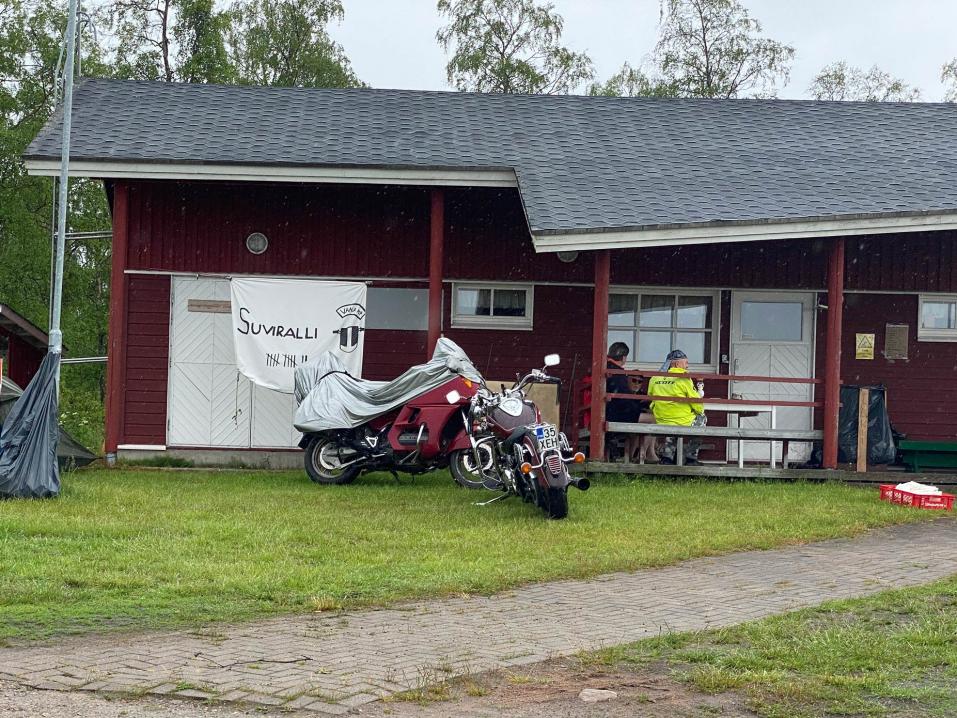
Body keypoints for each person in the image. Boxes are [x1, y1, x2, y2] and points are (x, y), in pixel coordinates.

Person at [648, 349, 706, 466]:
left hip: (661, 419)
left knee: (672, 424)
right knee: (701, 418)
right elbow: (697, 403)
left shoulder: (655, 377)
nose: (687, 366)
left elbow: (650, 395)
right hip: (682, 419)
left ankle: (667, 458)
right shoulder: (684, 377)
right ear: (677, 364)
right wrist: (699, 410)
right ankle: (691, 458)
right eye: (686, 363)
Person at [605, 342, 659, 463]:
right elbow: (623, 400)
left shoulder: (607, 369)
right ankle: (645, 454)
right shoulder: (618, 373)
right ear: (624, 357)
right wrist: (639, 407)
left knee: (644, 421)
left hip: (610, 410)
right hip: (617, 413)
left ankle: (642, 454)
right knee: (654, 419)